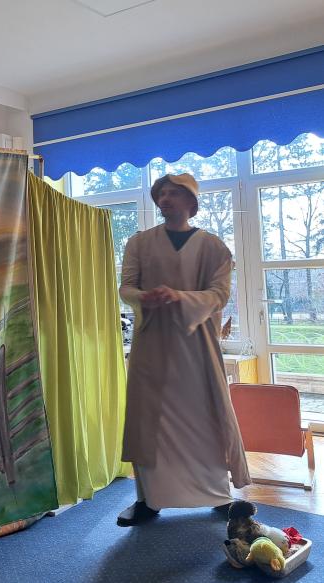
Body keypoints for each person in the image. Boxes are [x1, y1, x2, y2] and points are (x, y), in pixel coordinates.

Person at [116, 173, 250, 527]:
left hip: (198, 346)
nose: (165, 199)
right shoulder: (139, 243)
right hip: (152, 344)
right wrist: (143, 297)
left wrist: (180, 298)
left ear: (192, 202)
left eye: (174, 193)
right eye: (161, 193)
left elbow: (219, 294)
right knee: (149, 422)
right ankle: (148, 500)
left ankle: (218, 494)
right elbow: (126, 287)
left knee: (205, 418)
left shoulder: (214, 247)